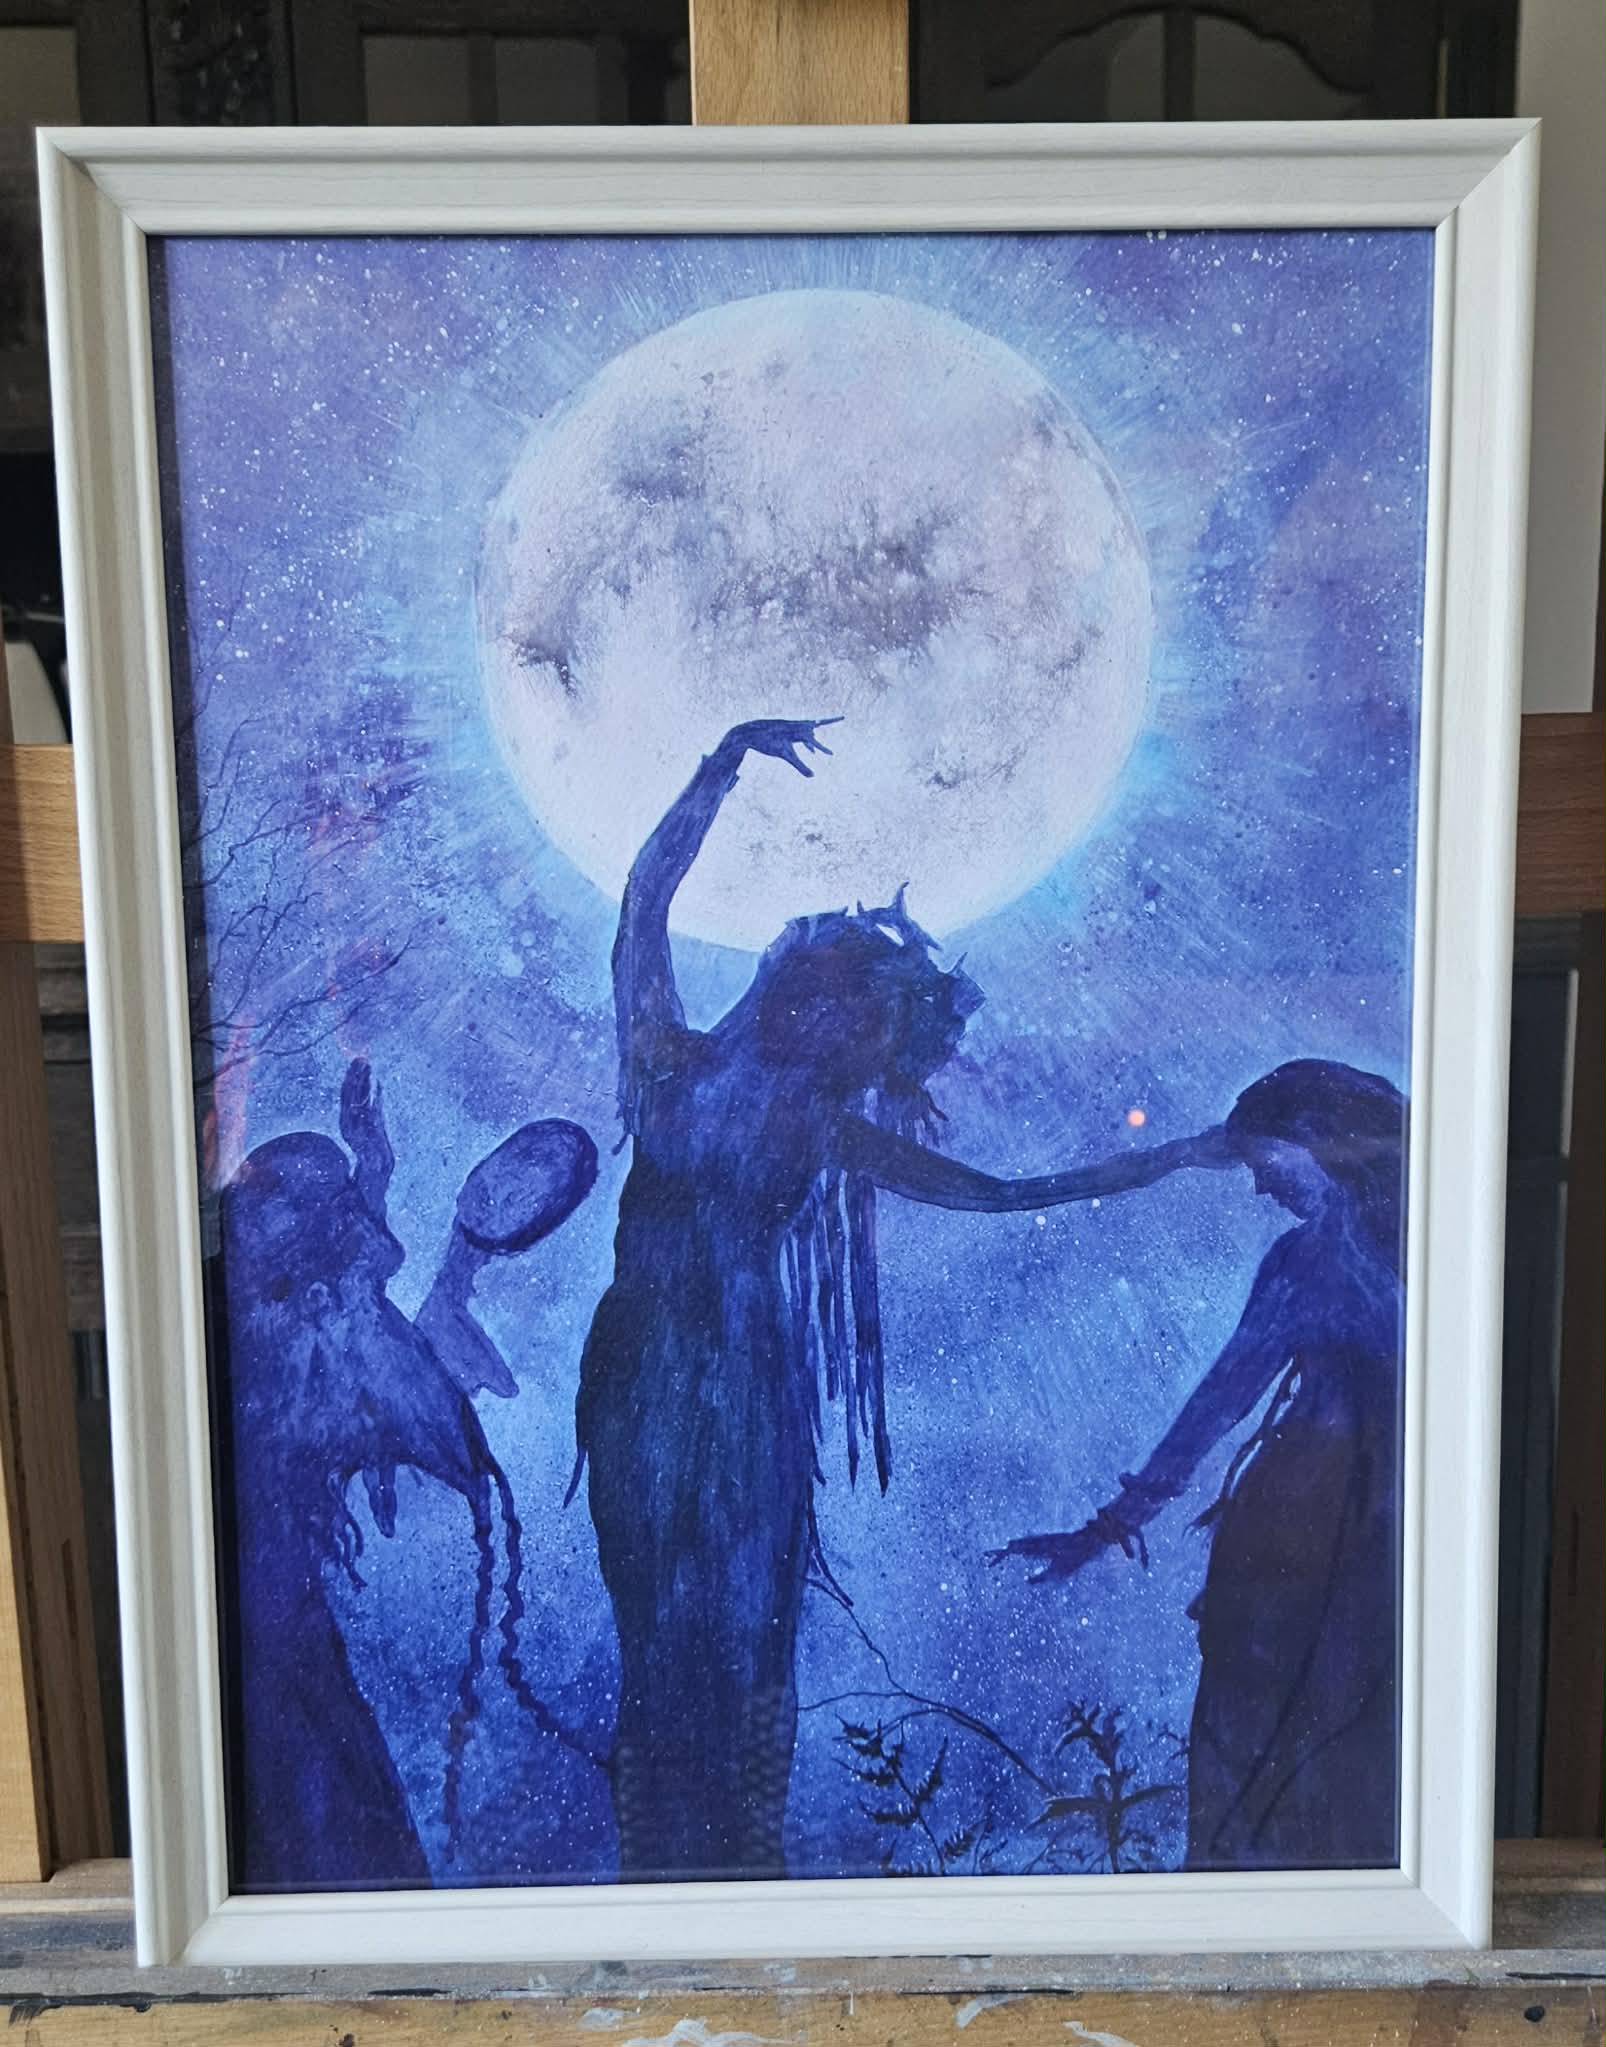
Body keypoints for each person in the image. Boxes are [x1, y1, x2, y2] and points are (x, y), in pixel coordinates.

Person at [573, 717, 1231, 1882]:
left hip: (743, 1387)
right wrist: (718, 763)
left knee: (751, 1637)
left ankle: (742, 1864)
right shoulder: (668, 1060)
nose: (843, 1036)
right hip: (651, 1379)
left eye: (863, 1028)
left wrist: (1167, 1157)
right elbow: (642, 906)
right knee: (659, 1635)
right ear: (798, 988)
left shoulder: (808, 1122)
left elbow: (997, 1191)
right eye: (844, 1007)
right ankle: (660, 1870)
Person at [992, 1058, 1407, 1870]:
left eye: (1266, 1163)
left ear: (1319, 1143)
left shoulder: (1315, 1260)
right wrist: (1110, 1524)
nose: (1259, 1186)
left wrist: (1108, 1526)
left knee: (1285, 1737)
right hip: (1327, 1528)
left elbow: (1217, 1404)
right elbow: (1218, 1403)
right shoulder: (1416, 1249)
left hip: (1316, 1527)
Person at [215, 1060, 596, 1888]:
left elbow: (347, 1305)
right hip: (283, 1688)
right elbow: (360, 1333)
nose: (381, 1252)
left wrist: (376, 1172)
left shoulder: (265, 1329)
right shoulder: (301, 1351)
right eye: (352, 1228)